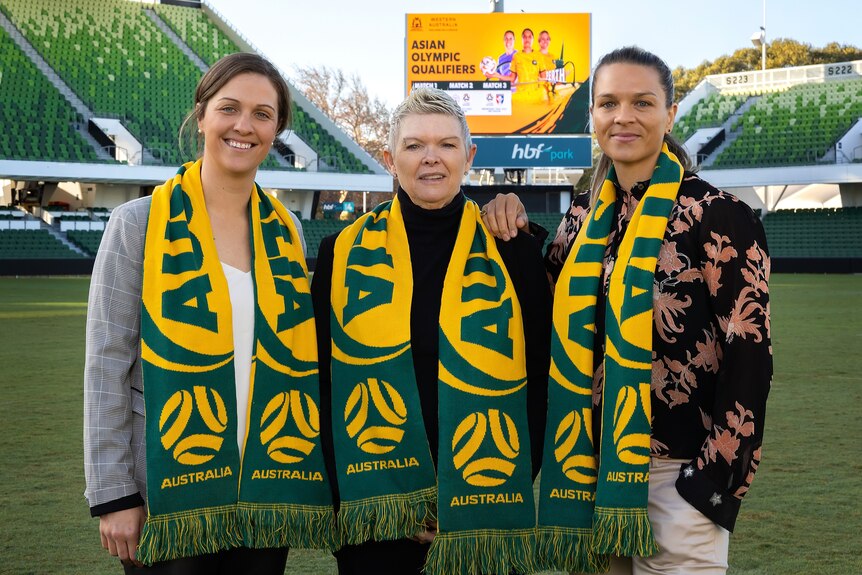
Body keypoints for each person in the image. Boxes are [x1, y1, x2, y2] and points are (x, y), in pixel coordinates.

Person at [482, 46, 772, 574]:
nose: (623, 117)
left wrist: (710, 481)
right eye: (608, 103)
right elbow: (542, 316)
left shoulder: (718, 214)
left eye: (642, 102)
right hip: (587, 470)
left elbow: (750, 358)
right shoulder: (581, 218)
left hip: (676, 472)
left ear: (670, 113)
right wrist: (509, 218)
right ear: (592, 115)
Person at [84, 52, 334, 573]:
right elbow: (106, 364)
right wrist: (112, 495)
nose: (245, 126)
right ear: (202, 116)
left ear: (277, 129)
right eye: (229, 108)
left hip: (267, 488)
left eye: (263, 114)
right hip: (167, 495)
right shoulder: (139, 223)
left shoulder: (284, 229)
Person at [311, 87, 551, 575]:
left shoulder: (512, 248)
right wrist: (350, 498)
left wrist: (492, 488)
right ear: (389, 158)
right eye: (414, 145)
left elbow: (541, 379)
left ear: (469, 156)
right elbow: (319, 380)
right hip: (376, 511)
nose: (431, 159)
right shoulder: (341, 252)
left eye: (446, 144)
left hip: (484, 500)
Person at [503, 28, 548, 103]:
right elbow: (512, 79)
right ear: (522, 39)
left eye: (529, 37)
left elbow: (544, 78)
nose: (527, 39)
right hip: (521, 97)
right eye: (525, 37)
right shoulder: (516, 56)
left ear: (533, 39)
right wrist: (497, 75)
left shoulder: (539, 56)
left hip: (536, 97)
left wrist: (542, 81)